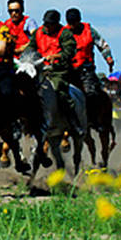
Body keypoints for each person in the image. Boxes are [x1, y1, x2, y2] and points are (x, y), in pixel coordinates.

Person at [25, 9, 82, 155]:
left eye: (50, 24)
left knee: (59, 91)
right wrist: (28, 57)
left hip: (58, 71)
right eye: (46, 23)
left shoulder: (65, 34)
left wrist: (56, 56)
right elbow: (31, 47)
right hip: (39, 69)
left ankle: (73, 121)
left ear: (57, 23)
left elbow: (70, 51)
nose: (47, 27)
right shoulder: (38, 33)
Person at [63, 8, 113, 98]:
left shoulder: (89, 31)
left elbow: (102, 45)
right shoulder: (63, 33)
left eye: (74, 22)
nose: (72, 25)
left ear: (79, 20)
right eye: (70, 23)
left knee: (91, 94)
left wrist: (108, 58)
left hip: (86, 69)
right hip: (68, 69)